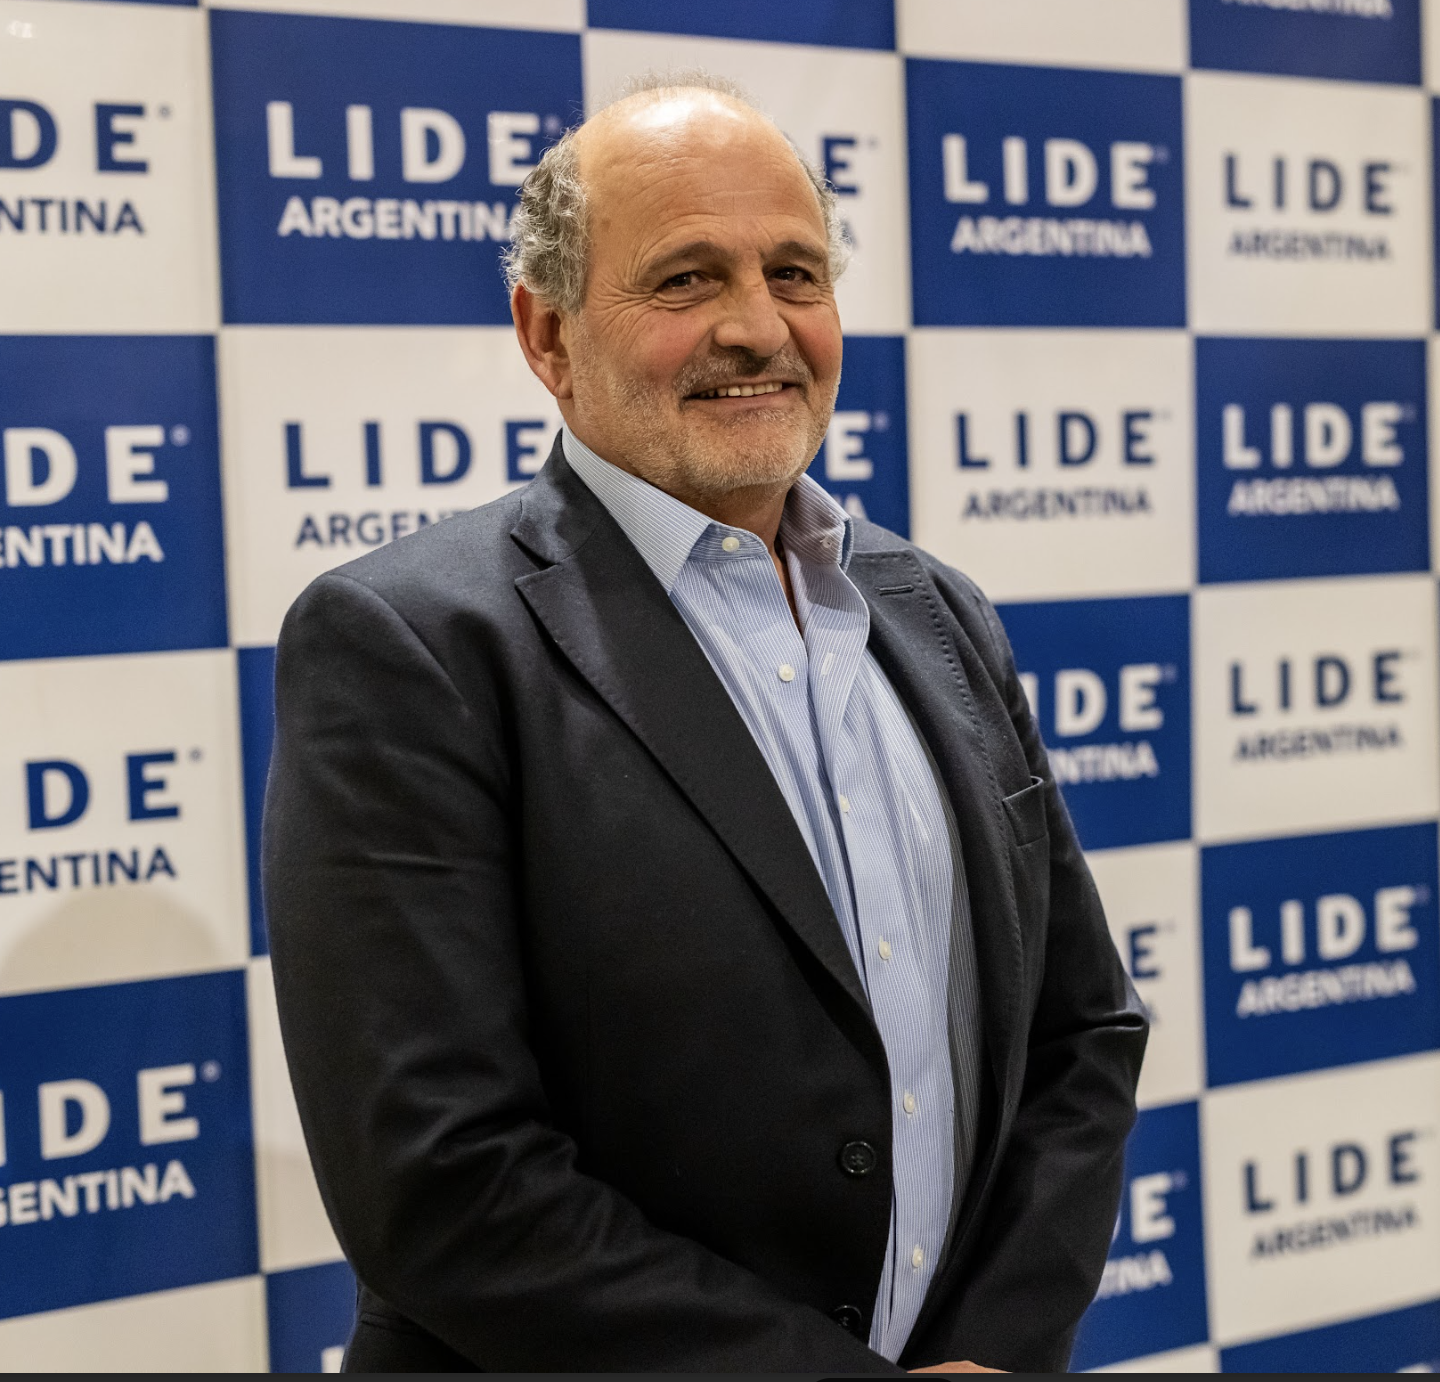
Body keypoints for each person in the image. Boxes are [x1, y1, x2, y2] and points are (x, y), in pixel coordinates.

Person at [262, 74, 1147, 1374]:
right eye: (685, 280)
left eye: (796, 273)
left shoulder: (936, 609)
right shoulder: (407, 644)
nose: (757, 327)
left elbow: (1082, 1032)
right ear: (549, 336)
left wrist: (997, 1351)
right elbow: (443, 1183)